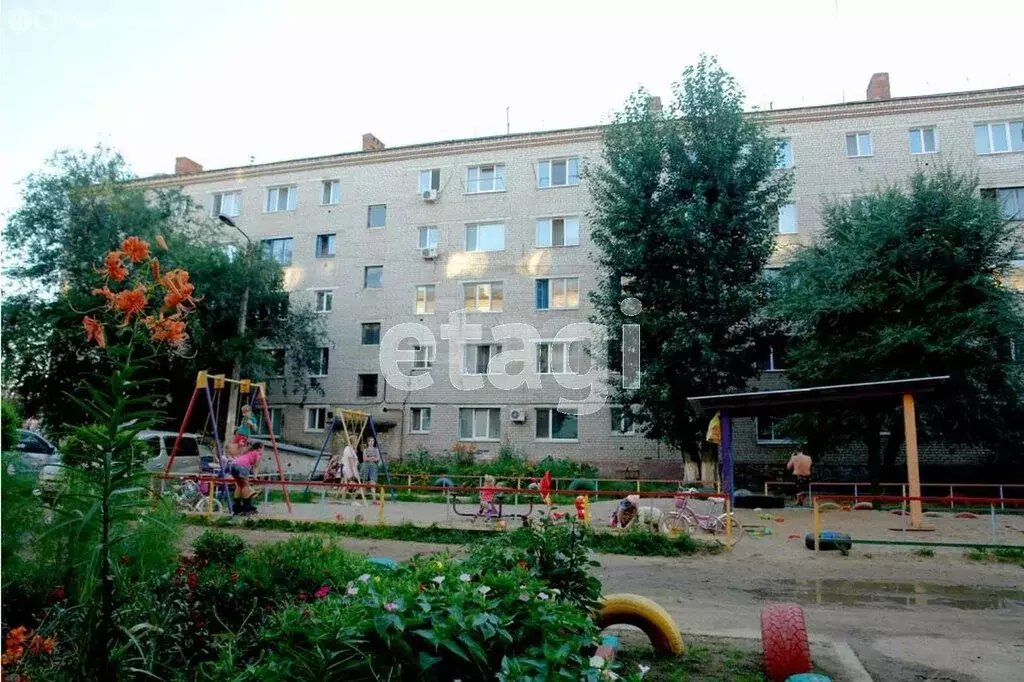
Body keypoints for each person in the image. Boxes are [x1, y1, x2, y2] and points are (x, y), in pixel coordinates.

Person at [229, 442, 262, 515]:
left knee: (239, 485)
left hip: (233, 465)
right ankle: (247, 507)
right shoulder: (257, 453)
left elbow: (240, 455)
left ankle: (237, 507)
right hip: (243, 466)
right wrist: (255, 477)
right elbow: (256, 466)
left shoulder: (248, 452)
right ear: (259, 448)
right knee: (245, 486)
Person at [339, 437, 366, 506]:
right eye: (356, 441)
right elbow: (350, 462)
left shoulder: (348, 449)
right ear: (353, 442)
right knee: (356, 484)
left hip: (347, 469)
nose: (357, 442)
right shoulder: (349, 449)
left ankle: (343, 500)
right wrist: (353, 473)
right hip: (350, 469)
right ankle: (353, 500)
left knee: (346, 485)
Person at [361, 436, 381, 504]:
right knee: (364, 483)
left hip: (373, 466)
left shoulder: (376, 449)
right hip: (366, 466)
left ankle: (374, 500)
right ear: (368, 442)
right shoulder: (365, 450)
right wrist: (373, 458)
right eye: (370, 441)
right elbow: (364, 459)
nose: (372, 442)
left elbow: (378, 458)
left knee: (373, 482)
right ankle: (363, 500)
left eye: (373, 441)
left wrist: (369, 458)